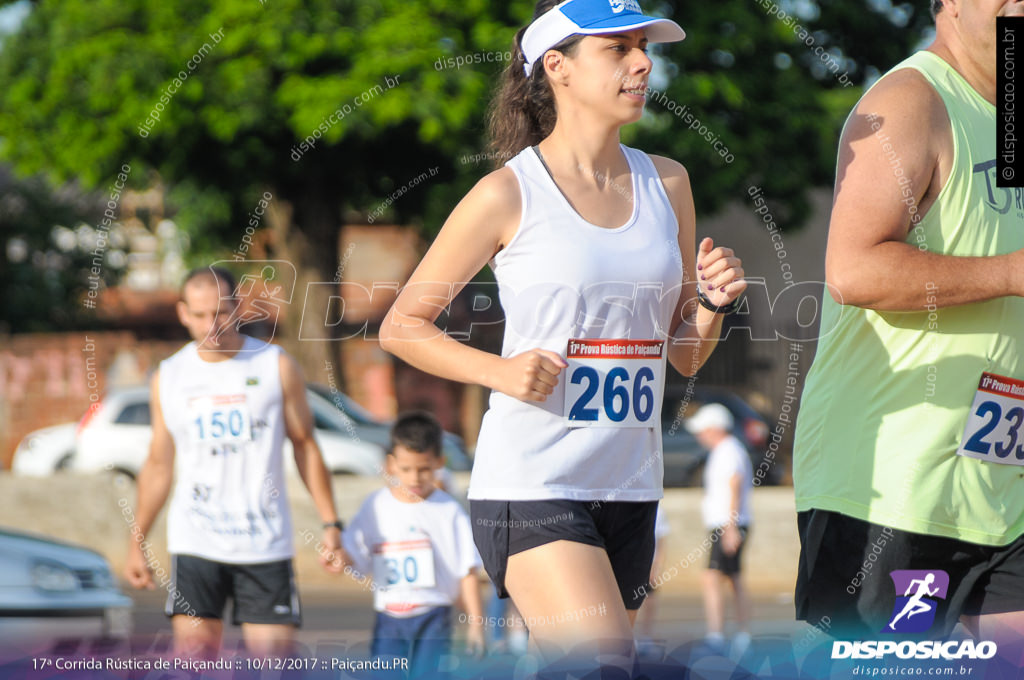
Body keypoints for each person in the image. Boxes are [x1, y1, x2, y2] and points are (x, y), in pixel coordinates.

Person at [379, 0, 746, 671]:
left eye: (645, 47)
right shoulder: (507, 194)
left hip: (631, 488)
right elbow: (402, 326)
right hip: (534, 483)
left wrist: (714, 307)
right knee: (603, 666)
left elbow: (683, 349)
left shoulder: (668, 182)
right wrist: (501, 371)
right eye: (617, 49)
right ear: (559, 68)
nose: (642, 63)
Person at [792, 0, 1024, 643]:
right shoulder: (908, 100)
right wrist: (1011, 274)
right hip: (895, 494)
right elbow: (853, 271)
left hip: (1001, 497)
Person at [123, 266, 344, 659]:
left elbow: (305, 445)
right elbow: (159, 463)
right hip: (196, 541)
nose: (213, 324)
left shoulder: (275, 364)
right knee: (194, 660)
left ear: (238, 306)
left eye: (222, 312)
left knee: (274, 663)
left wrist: (330, 523)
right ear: (183, 313)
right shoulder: (170, 376)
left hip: (263, 543)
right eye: (201, 314)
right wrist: (137, 540)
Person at [338, 411, 485, 676]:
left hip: (434, 616)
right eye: (406, 469)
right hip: (389, 619)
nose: (415, 478)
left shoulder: (449, 510)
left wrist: (476, 623)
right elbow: (352, 552)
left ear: (440, 462)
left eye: (424, 469)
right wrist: (338, 558)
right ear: (391, 464)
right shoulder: (375, 506)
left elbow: (468, 570)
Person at [686, 404, 752, 655]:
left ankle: (718, 635)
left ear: (715, 429)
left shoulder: (729, 451)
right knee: (732, 578)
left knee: (714, 577)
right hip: (726, 524)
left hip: (728, 525)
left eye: (703, 430)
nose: (699, 435)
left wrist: (730, 527)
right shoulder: (724, 450)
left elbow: (734, 485)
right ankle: (738, 634)